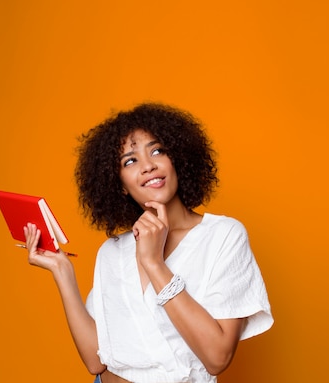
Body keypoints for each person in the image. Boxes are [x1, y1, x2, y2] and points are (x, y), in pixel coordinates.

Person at [23, 102, 273, 383]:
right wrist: (62, 272)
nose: (148, 166)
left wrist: (153, 262)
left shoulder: (223, 236)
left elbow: (217, 358)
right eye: (130, 161)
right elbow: (95, 361)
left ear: (176, 158)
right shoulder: (113, 252)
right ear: (118, 183)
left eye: (157, 151)